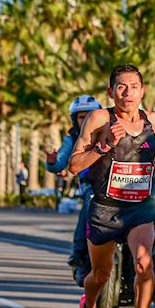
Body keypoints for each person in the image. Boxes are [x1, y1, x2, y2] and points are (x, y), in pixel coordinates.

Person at [67, 65, 155, 308]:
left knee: (144, 263)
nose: (128, 93)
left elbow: (152, 153)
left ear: (143, 90)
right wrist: (104, 145)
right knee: (99, 275)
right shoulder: (100, 118)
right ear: (111, 92)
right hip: (105, 207)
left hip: (140, 207)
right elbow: (74, 165)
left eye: (134, 86)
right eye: (121, 87)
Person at [47, 95, 104, 284]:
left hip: (116, 183)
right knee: (90, 203)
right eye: (81, 117)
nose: (86, 119)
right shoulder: (72, 138)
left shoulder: (110, 132)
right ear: (75, 119)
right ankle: (79, 254)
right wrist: (53, 162)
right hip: (92, 186)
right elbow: (60, 163)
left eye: (90, 115)